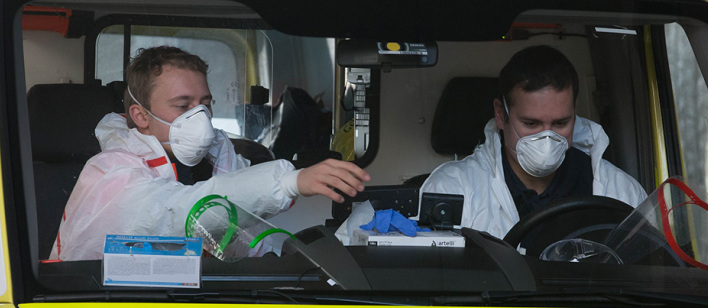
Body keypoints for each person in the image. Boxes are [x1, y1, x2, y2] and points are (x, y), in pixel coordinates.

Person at [50, 46, 369, 261]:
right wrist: (286, 182)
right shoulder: (110, 170)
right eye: (183, 105)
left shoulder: (219, 155)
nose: (200, 116)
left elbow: (247, 229)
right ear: (141, 116)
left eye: (206, 102)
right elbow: (171, 214)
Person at [419, 45, 647, 240]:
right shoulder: (453, 190)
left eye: (560, 123)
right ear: (501, 114)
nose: (547, 138)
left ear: (574, 113)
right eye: (531, 124)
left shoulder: (620, 192)